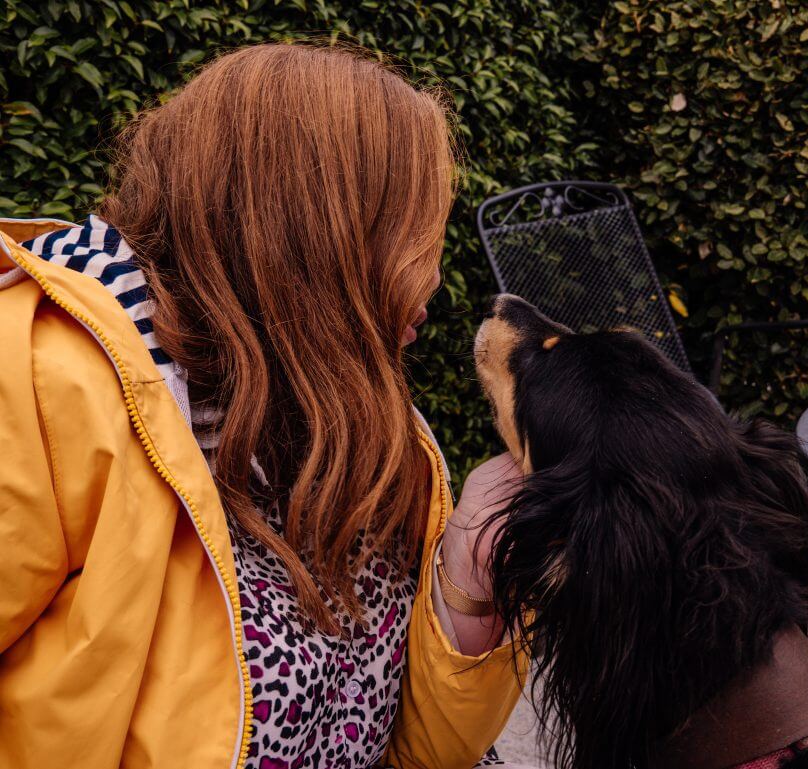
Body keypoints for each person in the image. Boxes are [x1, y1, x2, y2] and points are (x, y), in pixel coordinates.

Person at [0, 43, 525, 769]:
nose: (430, 282)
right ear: (314, 236)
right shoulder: (39, 381)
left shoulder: (367, 419)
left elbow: (413, 750)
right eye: (410, 236)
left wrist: (467, 593)